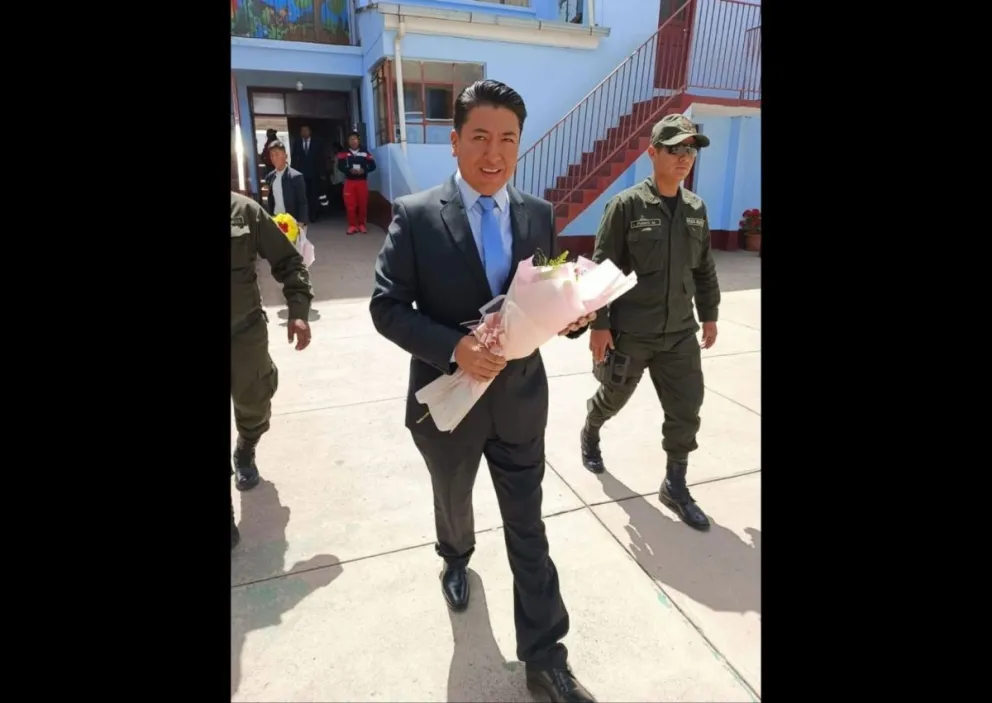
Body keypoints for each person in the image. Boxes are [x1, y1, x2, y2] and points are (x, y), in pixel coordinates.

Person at [369, 80, 597, 703]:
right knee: (454, 499)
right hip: (448, 403)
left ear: (519, 144)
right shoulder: (416, 215)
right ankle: (454, 555)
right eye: (479, 138)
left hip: (519, 401)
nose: (493, 154)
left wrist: (572, 316)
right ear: (455, 142)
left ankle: (546, 658)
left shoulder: (538, 214)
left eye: (507, 140)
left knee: (529, 528)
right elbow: (386, 307)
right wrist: (454, 347)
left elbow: (546, 294)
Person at [580, 114, 721, 532]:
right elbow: (602, 267)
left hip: (679, 333)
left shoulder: (696, 209)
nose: (684, 157)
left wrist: (710, 314)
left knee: (686, 408)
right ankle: (591, 427)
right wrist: (599, 325)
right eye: (675, 148)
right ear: (652, 153)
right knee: (613, 397)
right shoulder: (626, 206)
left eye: (690, 149)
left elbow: (704, 268)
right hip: (632, 332)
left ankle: (674, 484)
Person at [231, 191, 314, 491]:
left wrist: (298, 310)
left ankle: (245, 449)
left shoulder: (245, 212)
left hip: (244, 331)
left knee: (254, 401)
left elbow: (288, 260)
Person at [336, 130, 376, 234]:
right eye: (351, 139)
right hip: (349, 182)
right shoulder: (344, 153)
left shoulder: (365, 152)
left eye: (355, 139)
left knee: (362, 204)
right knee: (350, 205)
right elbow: (340, 166)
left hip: (362, 182)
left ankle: (362, 225)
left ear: (358, 141)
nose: (353, 141)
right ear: (348, 141)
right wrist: (349, 170)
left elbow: (373, 166)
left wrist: (364, 170)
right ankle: (352, 225)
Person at [264, 140, 309, 226]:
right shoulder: (270, 177)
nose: (274, 158)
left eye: (277, 154)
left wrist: (301, 222)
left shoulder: (296, 176)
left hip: (292, 221)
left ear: (285, 155)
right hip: (276, 220)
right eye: (272, 155)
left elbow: (302, 202)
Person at [291, 125, 325, 223]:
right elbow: (294, 158)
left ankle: (313, 215)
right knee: (302, 195)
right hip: (301, 174)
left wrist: (322, 173)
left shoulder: (317, 142)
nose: (304, 132)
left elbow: (321, 158)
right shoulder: (297, 143)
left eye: (306, 130)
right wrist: (293, 171)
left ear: (310, 132)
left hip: (314, 173)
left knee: (313, 195)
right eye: (302, 131)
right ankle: (304, 216)